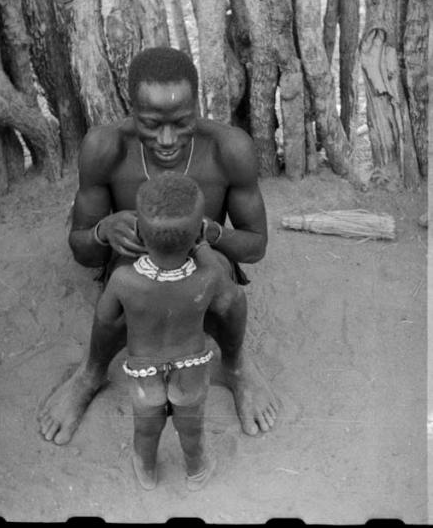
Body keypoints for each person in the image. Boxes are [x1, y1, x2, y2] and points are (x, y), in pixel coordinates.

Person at [37, 46, 279, 446]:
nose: (167, 139)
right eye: (151, 124)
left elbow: (255, 247)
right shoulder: (105, 148)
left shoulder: (229, 149)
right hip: (132, 266)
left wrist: (211, 234)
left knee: (222, 283)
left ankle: (235, 367)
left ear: (197, 107)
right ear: (131, 111)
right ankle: (91, 374)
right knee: (122, 281)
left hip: (205, 264)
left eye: (181, 123)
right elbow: (82, 251)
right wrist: (103, 232)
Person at [97, 172, 242, 490]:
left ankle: (147, 470)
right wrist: (201, 242)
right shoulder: (208, 277)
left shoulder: (123, 280)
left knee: (146, 427)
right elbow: (229, 295)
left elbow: (107, 318)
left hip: (143, 369)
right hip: (191, 365)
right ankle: (196, 471)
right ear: (196, 235)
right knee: (191, 428)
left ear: (138, 232)